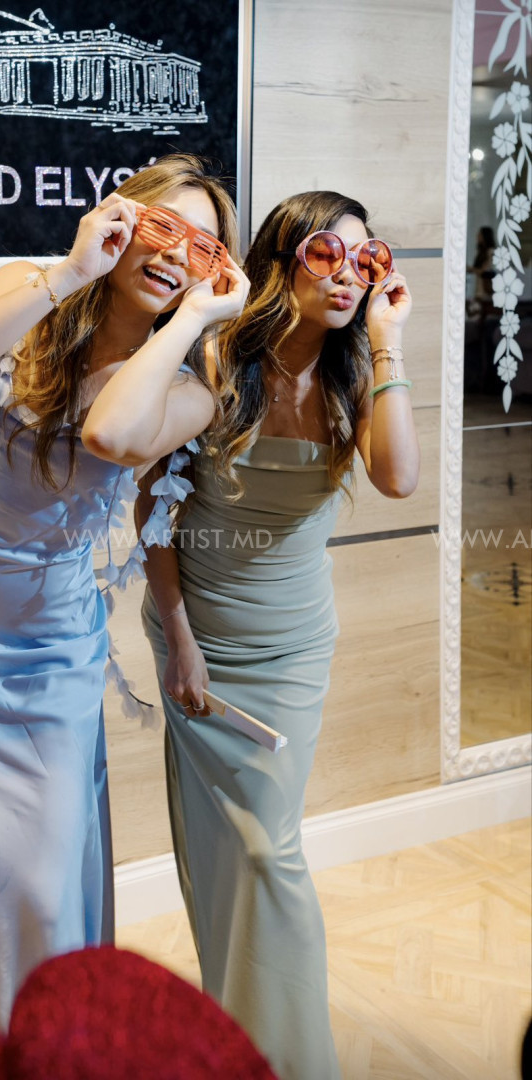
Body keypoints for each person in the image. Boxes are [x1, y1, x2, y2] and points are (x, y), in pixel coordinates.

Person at [0, 153, 249, 1031]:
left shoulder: (191, 392)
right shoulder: (26, 286)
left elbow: (111, 432)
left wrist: (190, 319)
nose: (176, 254)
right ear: (119, 219)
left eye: (203, 249)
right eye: (161, 227)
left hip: (48, 652)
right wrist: (70, 271)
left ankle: (40, 1045)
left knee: (45, 882)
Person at [132, 192, 420, 1079]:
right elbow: (152, 512)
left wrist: (387, 341)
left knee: (269, 850)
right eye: (327, 254)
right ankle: (237, 1044)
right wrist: (178, 639)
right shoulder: (217, 358)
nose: (347, 276)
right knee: (227, 855)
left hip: (292, 648)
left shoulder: (353, 375)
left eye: (367, 261)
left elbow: (399, 478)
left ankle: (288, 1060)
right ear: (281, 260)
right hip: (200, 639)